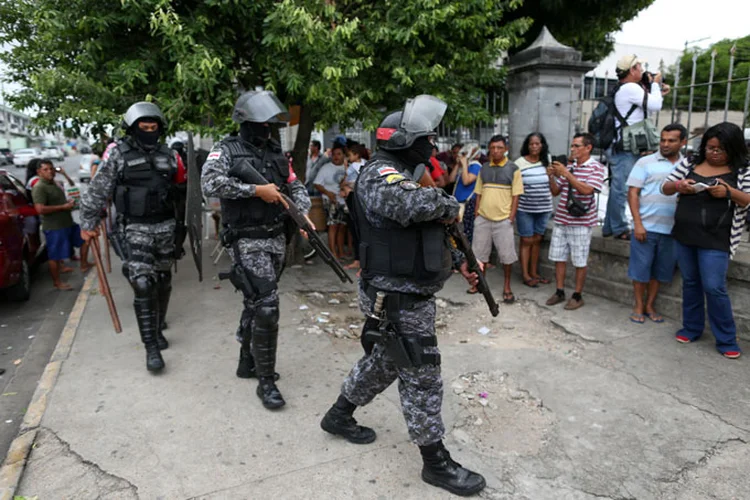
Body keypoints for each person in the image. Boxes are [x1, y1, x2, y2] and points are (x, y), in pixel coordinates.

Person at [319, 96, 486, 496]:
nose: (431, 146)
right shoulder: (380, 174)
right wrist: (452, 203)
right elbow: (417, 205)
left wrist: (462, 260)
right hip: (394, 295)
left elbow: (433, 229)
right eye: (426, 139)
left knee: (385, 362)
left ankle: (339, 415)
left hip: (409, 291)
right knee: (422, 373)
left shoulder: (405, 172)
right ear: (405, 141)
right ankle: (435, 462)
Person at [202, 90, 312, 408]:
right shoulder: (225, 149)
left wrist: (301, 212)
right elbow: (210, 183)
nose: (267, 130)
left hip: (276, 237)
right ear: (247, 122)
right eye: (262, 124)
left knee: (255, 301)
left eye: (271, 124)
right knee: (267, 306)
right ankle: (266, 382)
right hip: (245, 239)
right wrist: (255, 190)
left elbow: (294, 185)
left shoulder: (277, 153)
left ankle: (245, 359)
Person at [79, 101, 187, 372]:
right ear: (132, 128)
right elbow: (98, 189)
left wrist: (184, 225)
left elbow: (183, 189)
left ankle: (159, 325)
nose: (149, 130)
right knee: (142, 283)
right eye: (144, 126)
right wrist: (88, 221)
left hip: (165, 226)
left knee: (163, 279)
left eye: (153, 127)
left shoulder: (170, 155)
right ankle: (150, 348)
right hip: (134, 227)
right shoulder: (117, 153)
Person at [661, 122, 750, 359]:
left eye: (720, 149)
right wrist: (681, 185)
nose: (713, 152)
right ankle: (692, 328)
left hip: (717, 238)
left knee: (714, 287)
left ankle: (726, 339)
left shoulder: (742, 170)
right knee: (691, 282)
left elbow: (748, 199)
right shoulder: (690, 162)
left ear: (733, 148)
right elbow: (665, 187)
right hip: (685, 234)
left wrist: (728, 192)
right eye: (710, 147)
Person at [603, 54, 669, 241]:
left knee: (618, 187)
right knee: (621, 188)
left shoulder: (628, 88)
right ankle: (619, 228)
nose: (642, 70)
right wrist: (655, 84)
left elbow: (652, 101)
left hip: (623, 144)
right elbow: (655, 105)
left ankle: (610, 226)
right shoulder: (631, 87)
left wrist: (657, 89)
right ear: (632, 70)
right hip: (624, 146)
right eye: (639, 67)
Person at [626, 124, 686, 324]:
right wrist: (638, 223)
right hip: (646, 227)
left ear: (682, 142)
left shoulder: (687, 166)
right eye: (663, 139)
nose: (665, 144)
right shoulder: (645, 162)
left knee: (660, 271)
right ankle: (638, 305)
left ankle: (650, 305)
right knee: (640, 270)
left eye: (671, 140)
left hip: (672, 230)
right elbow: (633, 192)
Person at [546, 133, 606, 310]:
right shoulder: (569, 166)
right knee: (559, 258)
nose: (572, 149)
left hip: (581, 221)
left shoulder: (597, 167)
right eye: (572, 146)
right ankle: (559, 291)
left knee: (579, 260)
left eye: (576, 146)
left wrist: (566, 173)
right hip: (562, 219)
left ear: (588, 148)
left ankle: (578, 295)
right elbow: (556, 192)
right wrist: (551, 176)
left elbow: (588, 190)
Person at [472, 135, 523, 304]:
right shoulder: (484, 168)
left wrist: (511, 218)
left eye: (499, 148)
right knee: (479, 255)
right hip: (483, 218)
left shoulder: (513, 169)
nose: (496, 151)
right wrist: (477, 213)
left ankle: (507, 286)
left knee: (507, 256)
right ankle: (480, 284)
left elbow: (516, 196)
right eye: (493, 147)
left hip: (503, 220)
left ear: (506, 149)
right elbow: (478, 192)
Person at [32, 160, 90, 290]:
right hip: (54, 227)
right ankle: (57, 282)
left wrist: (67, 204)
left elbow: (70, 188)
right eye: (46, 169)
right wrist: (62, 207)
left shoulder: (55, 184)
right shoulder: (39, 188)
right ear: (39, 172)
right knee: (55, 256)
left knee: (85, 239)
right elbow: (40, 209)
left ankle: (84, 264)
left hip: (67, 222)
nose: (50, 172)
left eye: (51, 169)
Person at [515, 133, 553, 288]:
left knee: (537, 240)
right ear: (527, 146)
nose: (535, 147)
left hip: (544, 208)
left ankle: (534, 272)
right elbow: (515, 187)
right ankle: (525, 274)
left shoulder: (548, 162)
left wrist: (551, 176)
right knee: (526, 240)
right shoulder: (519, 163)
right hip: (525, 208)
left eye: (538, 144)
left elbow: (554, 186)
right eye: (531, 144)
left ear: (542, 145)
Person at [313, 144, 348, 259]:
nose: (336, 157)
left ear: (344, 155)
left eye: (339, 154)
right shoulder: (326, 168)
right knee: (332, 226)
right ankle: (333, 252)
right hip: (330, 201)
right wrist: (328, 193)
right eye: (334, 154)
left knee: (342, 226)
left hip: (344, 201)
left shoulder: (347, 167)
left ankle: (341, 251)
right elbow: (317, 184)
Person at [342, 143, 369, 270]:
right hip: (364, 199)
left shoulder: (352, 167)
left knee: (355, 229)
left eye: (350, 155)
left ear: (356, 155)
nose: (348, 157)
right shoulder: (366, 163)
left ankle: (358, 260)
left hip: (353, 197)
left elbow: (345, 180)